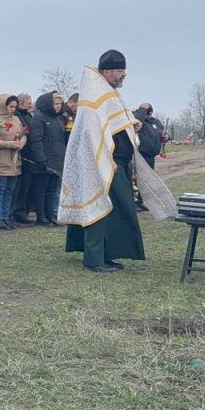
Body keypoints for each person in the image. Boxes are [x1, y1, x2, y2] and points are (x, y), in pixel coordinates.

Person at [63, 50, 145, 273]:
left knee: (114, 210)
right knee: (99, 208)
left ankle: (105, 254)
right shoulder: (95, 94)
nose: (124, 75)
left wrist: (131, 123)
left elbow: (113, 122)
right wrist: (107, 158)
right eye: (120, 71)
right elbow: (93, 133)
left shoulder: (107, 92)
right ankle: (94, 259)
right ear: (107, 71)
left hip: (115, 162)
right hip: (105, 163)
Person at [0, 95, 26, 230]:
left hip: (14, 159)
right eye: (11, 106)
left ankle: (6, 216)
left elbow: (22, 134)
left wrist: (22, 143)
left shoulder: (16, 119)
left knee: (9, 190)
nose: (13, 109)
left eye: (15, 107)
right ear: (3, 105)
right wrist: (10, 144)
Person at [28, 92, 66, 226]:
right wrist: (41, 159)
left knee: (52, 190)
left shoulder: (59, 119)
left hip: (57, 160)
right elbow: (36, 140)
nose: (58, 106)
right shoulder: (39, 118)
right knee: (41, 190)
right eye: (56, 103)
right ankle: (41, 216)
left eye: (60, 104)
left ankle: (50, 215)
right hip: (43, 161)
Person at [11, 93, 36, 225]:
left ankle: (22, 211)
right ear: (21, 103)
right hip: (22, 154)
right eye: (28, 102)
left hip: (29, 154)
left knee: (26, 185)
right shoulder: (17, 116)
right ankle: (15, 212)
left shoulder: (28, 115)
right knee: (18, 186)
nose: (30, 104)